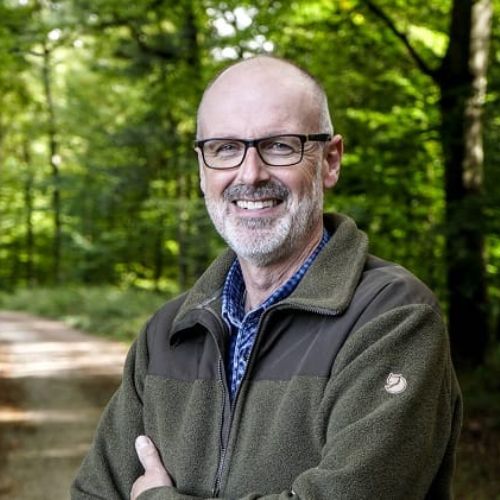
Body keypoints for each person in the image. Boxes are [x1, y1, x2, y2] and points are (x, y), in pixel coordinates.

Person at [71, 55, 462, 500]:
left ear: (330, 161)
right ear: (201, 169)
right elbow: (93, 494)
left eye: (279, 145)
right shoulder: (168, 333)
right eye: (225, 148)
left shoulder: (393, 318)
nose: (250, 174)